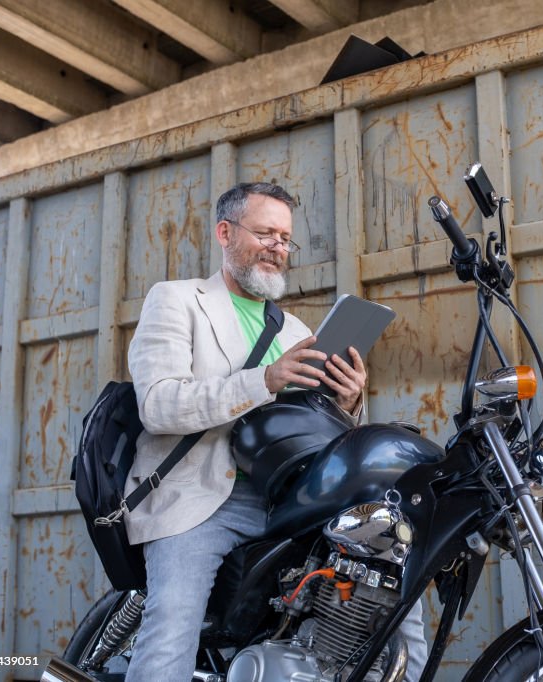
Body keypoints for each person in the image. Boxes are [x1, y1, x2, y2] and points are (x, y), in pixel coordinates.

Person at [123, 182, 427, 681]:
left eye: (285, 239)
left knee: (392, 576)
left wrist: (346, 400)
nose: (278, 248)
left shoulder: (294, 332)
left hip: (290, 502)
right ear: (225, 232)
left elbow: (306, 425)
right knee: (172, 627)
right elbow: (157, 405)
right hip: (202, 498)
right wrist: (265, 378)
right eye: (265, 233)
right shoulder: (177, 300)